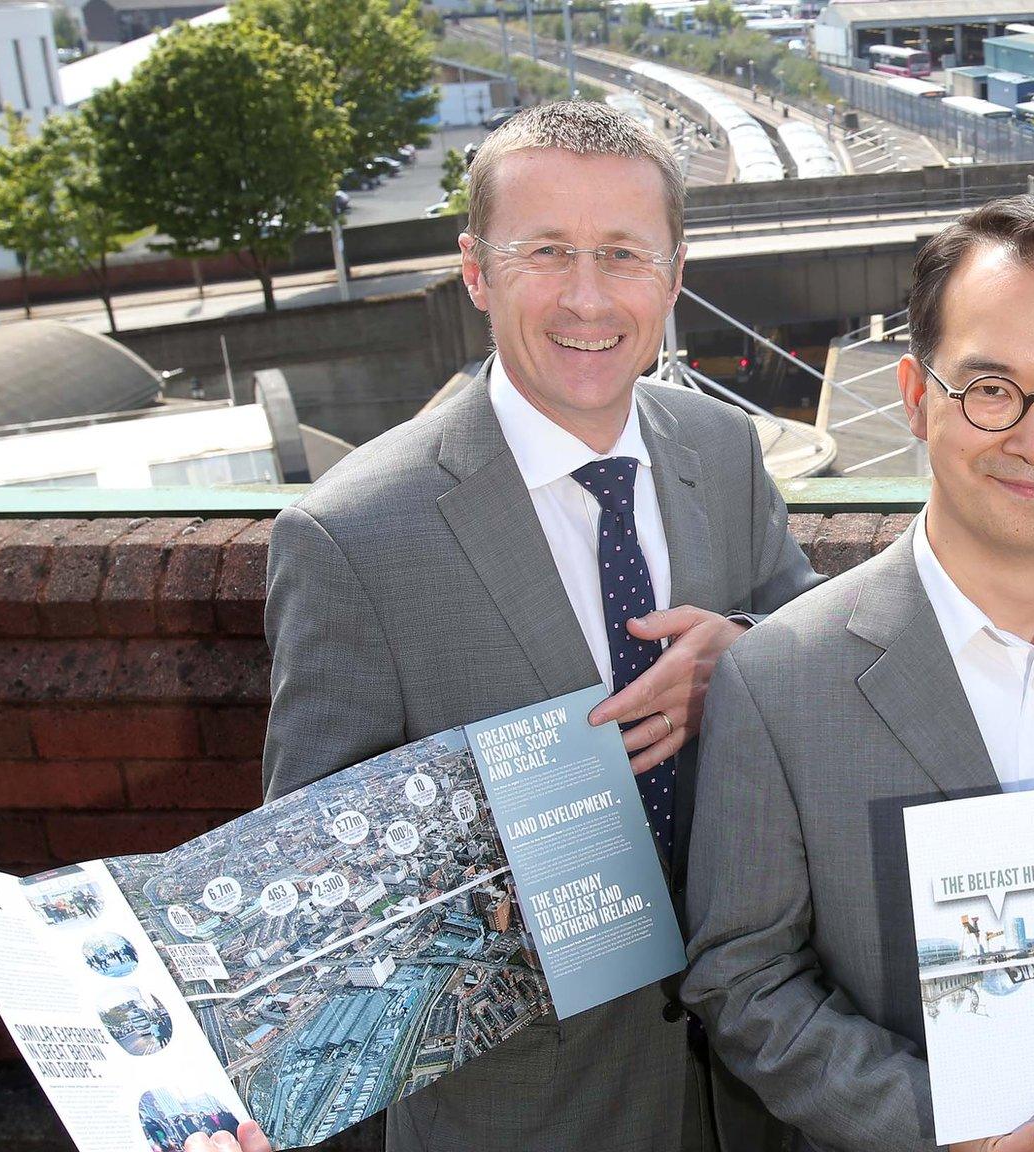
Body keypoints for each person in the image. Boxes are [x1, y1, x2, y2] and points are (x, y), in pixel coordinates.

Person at [262, 101, 820, 1152]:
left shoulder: (725, 449)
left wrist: (744, 657)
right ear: (476, 270)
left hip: (753, 1085)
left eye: (622, 254)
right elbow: (324, 913)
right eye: (545, 252)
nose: (586, 297)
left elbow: (806, 652)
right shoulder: (349, 537)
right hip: (526, 1111)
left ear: (674, 271)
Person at [681, 196, 1034, 1152]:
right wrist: (936, 1127)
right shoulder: (780, 677)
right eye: (991, 389)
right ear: (915, 393)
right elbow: (743, 980)